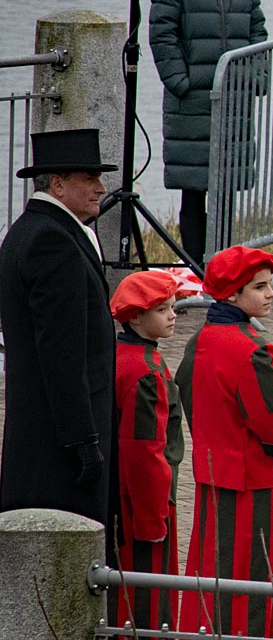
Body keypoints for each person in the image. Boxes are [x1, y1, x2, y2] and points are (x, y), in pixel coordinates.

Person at [175, 245, 273, 636]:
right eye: (260, 287)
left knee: (211, 567)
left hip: (212, 469)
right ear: (233, 294)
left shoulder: (200, 340)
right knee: (252, 576)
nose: (271, 293)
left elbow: (188, 393)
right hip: (255, 477)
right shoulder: (253, 349)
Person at [0, 128, 118, 556]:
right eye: (90, 178)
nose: (101, 188)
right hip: (58, 446)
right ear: (58, 184)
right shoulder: (52, 242)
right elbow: (62, 355)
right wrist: (83, 441)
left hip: (43, 434)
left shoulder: (29, 231)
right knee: (61, 554)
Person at [149, 0, 267, 267]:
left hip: (234, 98)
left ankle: (222, 267)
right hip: (192, 100)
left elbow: (257, 30)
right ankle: (195, 268)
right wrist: (180, 81)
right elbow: (162, 32)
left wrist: (257, 76)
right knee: (192, 187)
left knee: (226, 187)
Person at [110, 270, 184, 629]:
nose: (173, 315)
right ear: (136, 316)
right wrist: (154, 520)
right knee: (148, 607)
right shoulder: (145, 371)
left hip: (121, 498)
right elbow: (145, 451)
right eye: (162, 309)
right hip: (143, 506)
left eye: (173, 307)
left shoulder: (119, 356)